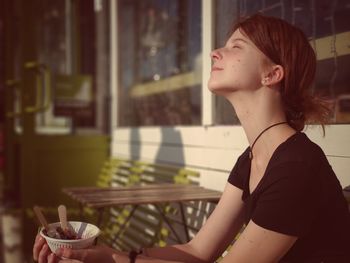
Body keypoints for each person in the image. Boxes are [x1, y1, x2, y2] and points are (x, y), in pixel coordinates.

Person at [33, 13, 350, 263]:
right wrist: (91, 251)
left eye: (235, 46)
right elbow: (198, 252)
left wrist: (116, 260)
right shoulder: (253, 158)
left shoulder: (296, 167)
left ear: (272, 74)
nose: (214, 52)